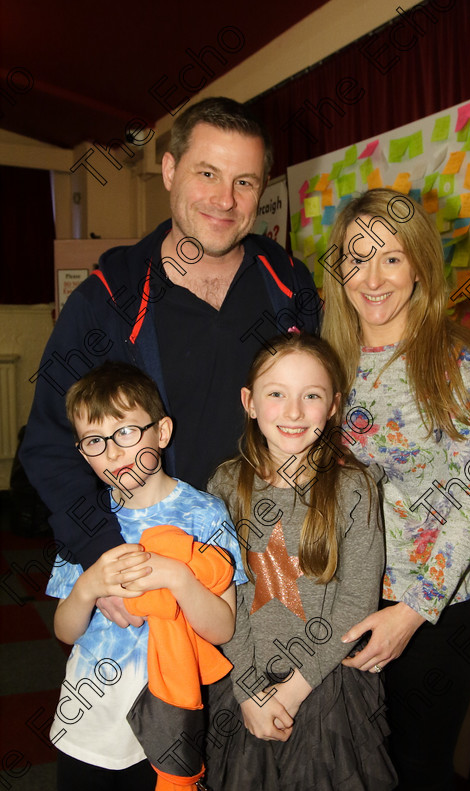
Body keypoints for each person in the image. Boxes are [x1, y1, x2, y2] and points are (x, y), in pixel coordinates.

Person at [20, 96, 320, 622]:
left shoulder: (290, 287)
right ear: (169, 169)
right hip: (152, 579)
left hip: (272, 571)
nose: (225, 200)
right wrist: (105, 556)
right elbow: (49, 445)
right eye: (208, 173)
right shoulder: (107, 301)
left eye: (245, 182)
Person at [321, 188, 470, 791]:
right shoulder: (325, 363)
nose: (372, 279)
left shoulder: (467, 362)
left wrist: (411, 611)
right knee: (355, 781)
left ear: (421, 267)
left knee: (423, 782)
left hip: (435, 616)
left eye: (392, 259)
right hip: (338, 605)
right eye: (357, 258)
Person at [204, 332, 397, 791]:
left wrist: (294, 690)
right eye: (276, 393)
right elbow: (221, 597)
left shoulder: (355, 487)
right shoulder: (224, 485)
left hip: (324, 689)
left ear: (333, 406)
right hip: (243, 679)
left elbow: (356, 600)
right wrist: (249, 692)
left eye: (311, 394)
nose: (294, 410)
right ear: (248, 402)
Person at [47, 361, 246, 791]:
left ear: (162, 432)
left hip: (160, 717)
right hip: (87, 715)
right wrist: (89, 586)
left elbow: (222, 629)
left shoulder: (203, 514)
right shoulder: (88, 522)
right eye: (95, 441)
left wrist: (179, 577)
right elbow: (64, 630)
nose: (113, 453)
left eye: (127, 433)